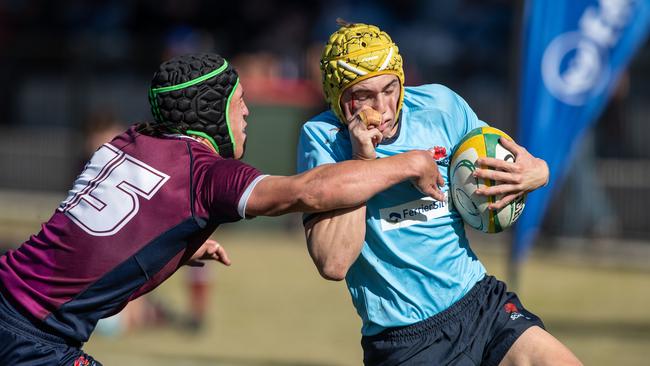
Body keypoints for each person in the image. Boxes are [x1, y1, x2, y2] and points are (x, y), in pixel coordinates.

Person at [0, 53, 444, 366]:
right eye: (239, 102)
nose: (249, 112)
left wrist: (173, 245)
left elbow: (94, 225)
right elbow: (309, 192)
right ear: (211, 111)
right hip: (34, 338)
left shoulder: (130, 141)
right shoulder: (205, 174)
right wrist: (408, 162)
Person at [297, 22, 583, 366]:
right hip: (405, 340)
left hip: (478, 301)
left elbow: (503, 156)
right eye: (364, 96)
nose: (383, 109)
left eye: (390, 89)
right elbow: (333, 262)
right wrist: (363, 161)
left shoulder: (441, 107)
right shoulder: (323, 140)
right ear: (336, 96)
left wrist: (539, 171)